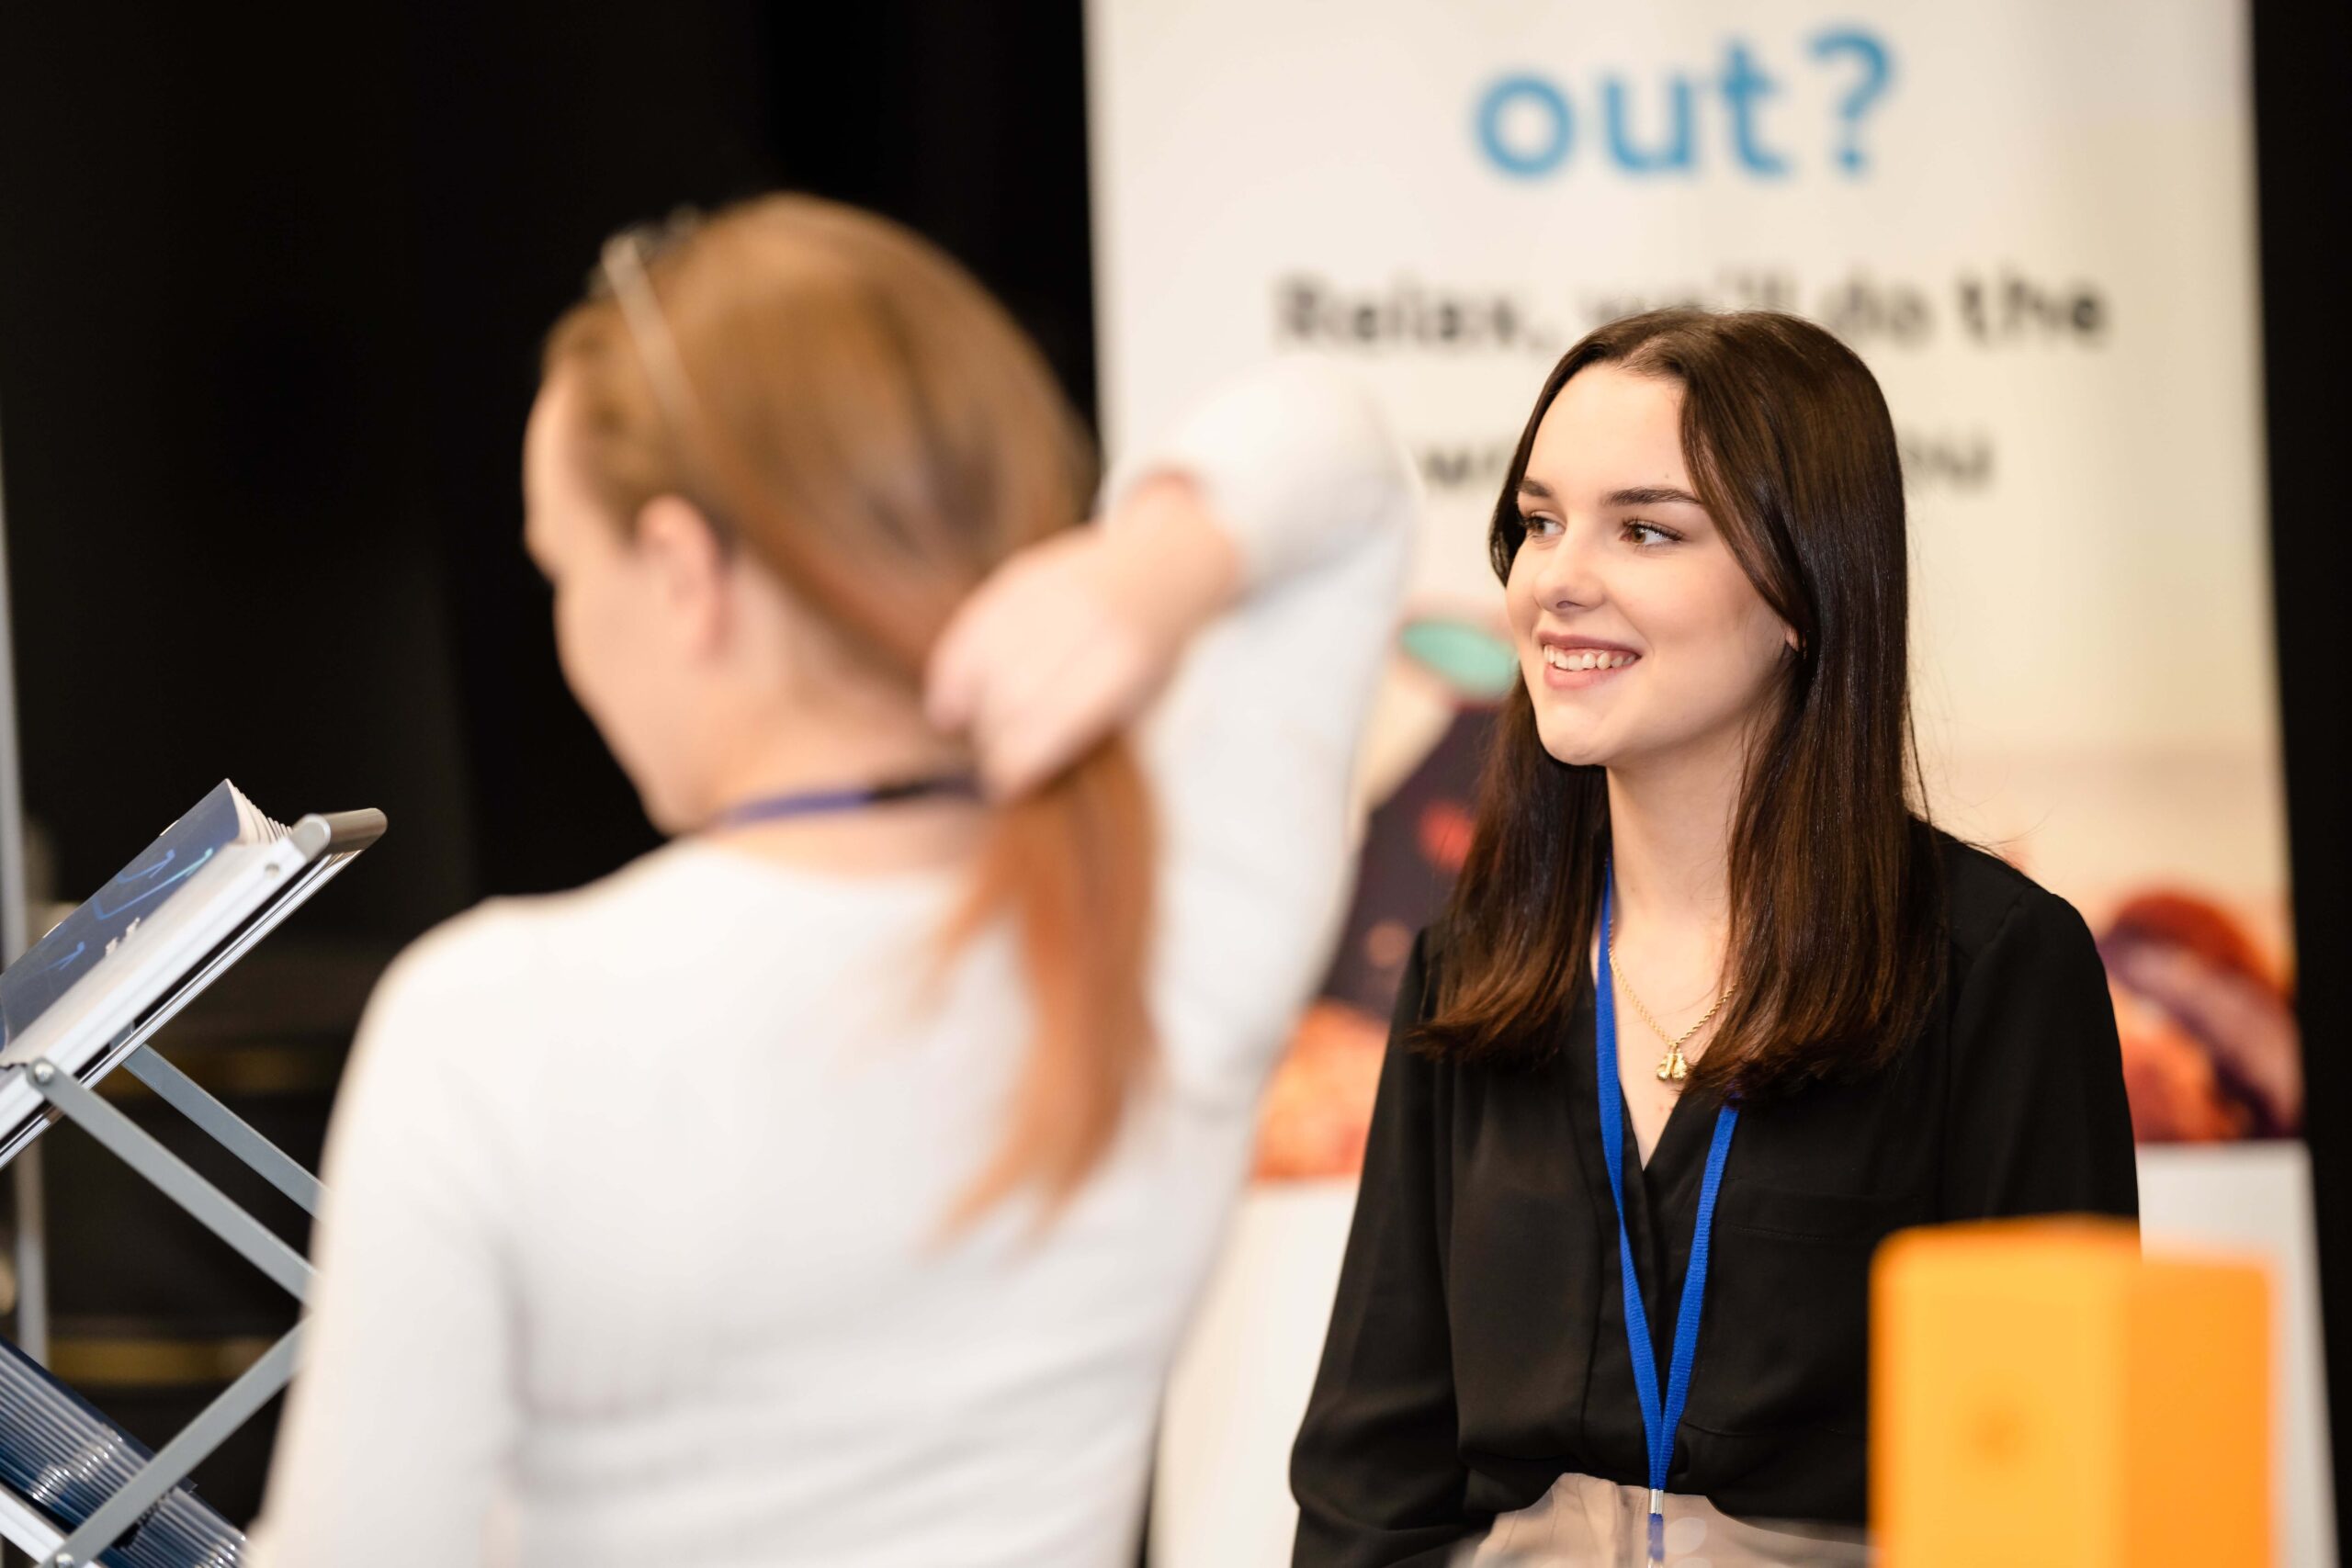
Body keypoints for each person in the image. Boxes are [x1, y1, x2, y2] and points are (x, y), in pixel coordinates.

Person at [251, 194, 1413, 1567]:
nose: (572, 637)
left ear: (683, 573)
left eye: (563, 570)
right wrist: (1140, 572)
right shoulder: (1156, 944)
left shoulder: (496, 1016)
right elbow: (1338, 456)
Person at [1288, 309, 2137, 1567]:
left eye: (1645, 529)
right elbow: (1372, 1486)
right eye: (1537, 521)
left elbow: (2059, 1487)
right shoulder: (1467, 972)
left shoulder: (1991, 967)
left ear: (1803, 588)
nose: (1560, 578)